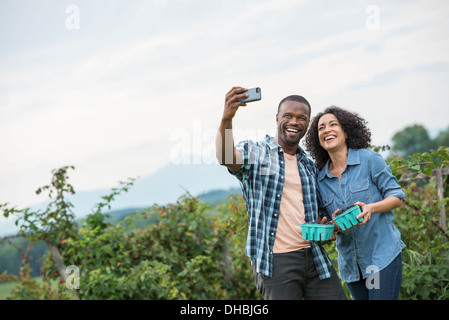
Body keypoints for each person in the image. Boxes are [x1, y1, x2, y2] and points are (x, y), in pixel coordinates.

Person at [215, 86, 346, 300]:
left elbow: (316, 213)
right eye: (288, 116)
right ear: (277, 118)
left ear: (307, 123)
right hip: (276, 261)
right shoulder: (256, 153)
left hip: (315, 257)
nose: (294, 122)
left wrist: (326, 228)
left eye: (301, 118)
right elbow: (225, 157)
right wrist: (227, 118)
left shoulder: (309, 165)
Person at [305, 105, 406, 300]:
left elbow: (397, 197)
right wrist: (332, 226)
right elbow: (325, 220)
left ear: (346, 131)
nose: (327, 130)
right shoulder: (320, 179)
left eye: (333, 124)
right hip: (351, 267)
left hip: (381, 257)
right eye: (321, 128)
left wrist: (370, 208)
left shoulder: (369, 159)